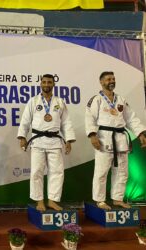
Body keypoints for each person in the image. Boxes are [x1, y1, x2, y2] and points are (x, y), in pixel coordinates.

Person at [85, 71, 146, 210]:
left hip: (120, 139)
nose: (111, 81)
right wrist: (92, 135)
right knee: (101, 172)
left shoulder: (121, 100)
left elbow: (131, 118)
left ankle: (118, 199)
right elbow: (90, 117)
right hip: (104, 138)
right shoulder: (96, 99)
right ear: (101, 82)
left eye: (113, 79)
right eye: (108, 79)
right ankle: (100, 200)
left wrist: (141, 133)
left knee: (122, 172)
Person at [17, 74, 76, 212]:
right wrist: (22, 137)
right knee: (37, 172)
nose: (47, 84)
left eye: (49, 82)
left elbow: (66, 122)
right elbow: (25, 121)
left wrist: (68, 140)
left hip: (55, 141)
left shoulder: (59, 102)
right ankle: (39, 201)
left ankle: (52, 200)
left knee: (57, 171)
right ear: (40, 84)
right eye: (44, 82)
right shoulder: (33, 101)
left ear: (54, 84)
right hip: (38, 140)